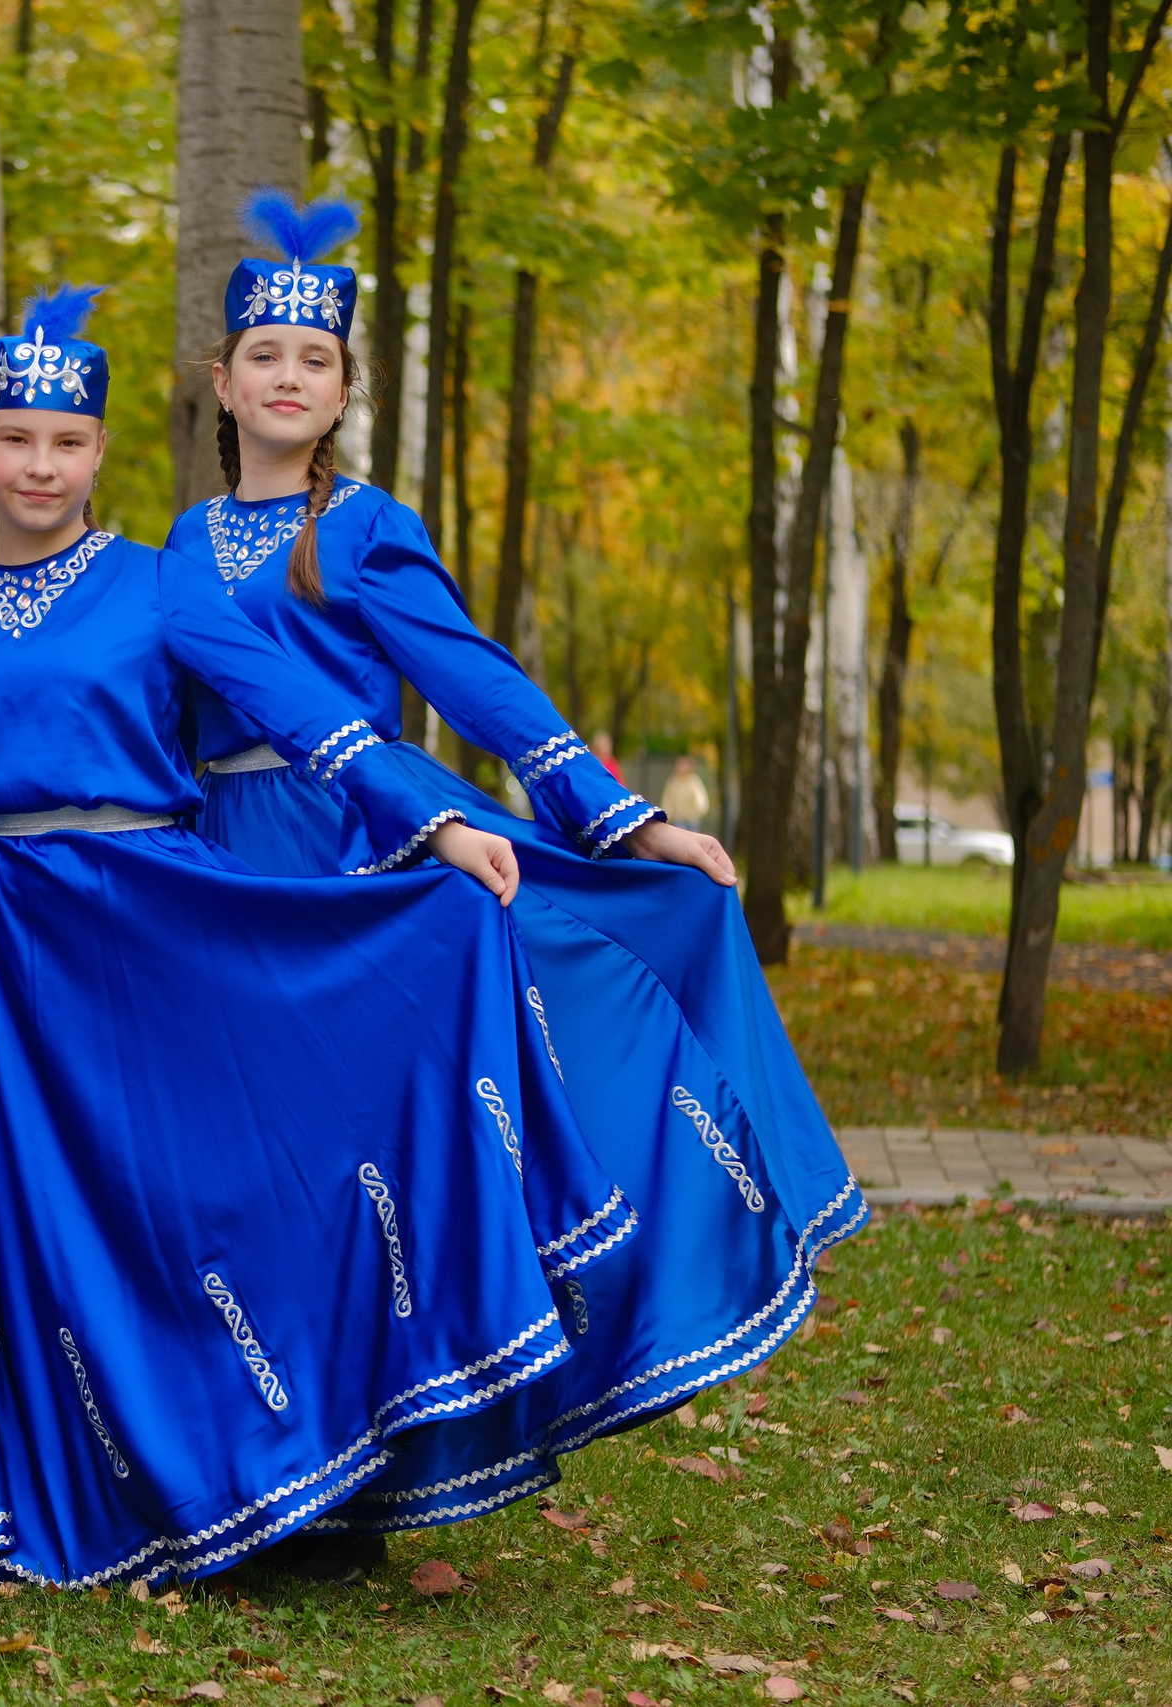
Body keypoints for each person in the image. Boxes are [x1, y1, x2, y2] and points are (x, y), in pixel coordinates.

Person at [165, 191, 865, 1542]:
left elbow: (474, 680)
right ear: (224, 378)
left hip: (364, 860)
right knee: (262, 1160)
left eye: (317, 361)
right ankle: (271, 1452)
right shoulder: (177, 549)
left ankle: (394, 1465)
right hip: (226, 867)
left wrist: (620, 816)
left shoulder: (363, 527)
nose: (289, 377)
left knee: (383, 1159)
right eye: (266, 357)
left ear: (347, 384)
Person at [0, 286, 631, 1589]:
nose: (42, 462)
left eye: (69, 440)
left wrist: (431, 820)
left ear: (98, 449)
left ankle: (321, 1466)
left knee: (236, 1185)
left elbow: (303, 701)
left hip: (165, 909)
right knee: (37, 1211)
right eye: (17, 438)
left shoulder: (165, 580)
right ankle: (72, 1472)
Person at [662, 754, 712, 832]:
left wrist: (699, 810)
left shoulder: (693, 781)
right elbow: (668, 799)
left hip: (692, 818)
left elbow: (699, 797)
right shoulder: (673, 781)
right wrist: (668, 815)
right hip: (679, 818)